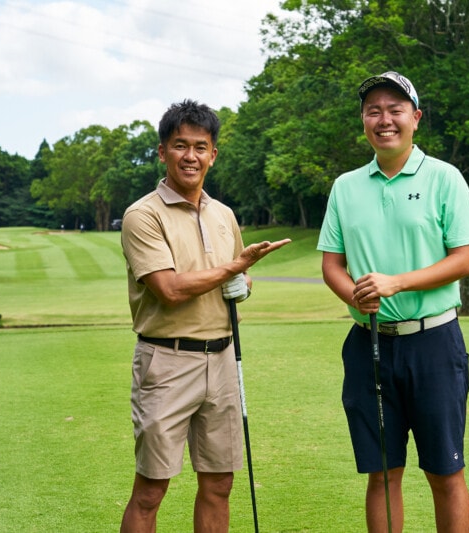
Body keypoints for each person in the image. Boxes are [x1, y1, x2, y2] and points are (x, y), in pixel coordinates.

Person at [317, 71, 469, 532]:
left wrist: (397, 283)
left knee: (445, 472)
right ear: (364, 121)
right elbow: (332, 264)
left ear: (416, 118)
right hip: (368, 343)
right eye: (374, 111)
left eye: (394, 110)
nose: (383, 120)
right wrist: (354, 293)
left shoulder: (444, 178)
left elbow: (464, 259)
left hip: (433, 344)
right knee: (383, 474)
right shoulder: (346, 187)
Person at [120, 99, 290, 533]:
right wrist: (234, 270)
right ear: (162, 152)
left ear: (213, 154)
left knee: (219, 484)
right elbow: (170, 289)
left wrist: (244, 285)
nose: (191, 156)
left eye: (201, 147)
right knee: (151, 489)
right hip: (167, 362)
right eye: (180, 146)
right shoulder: (143, 215)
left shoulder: (223, 215)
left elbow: (235, 278)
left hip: (222, 359)